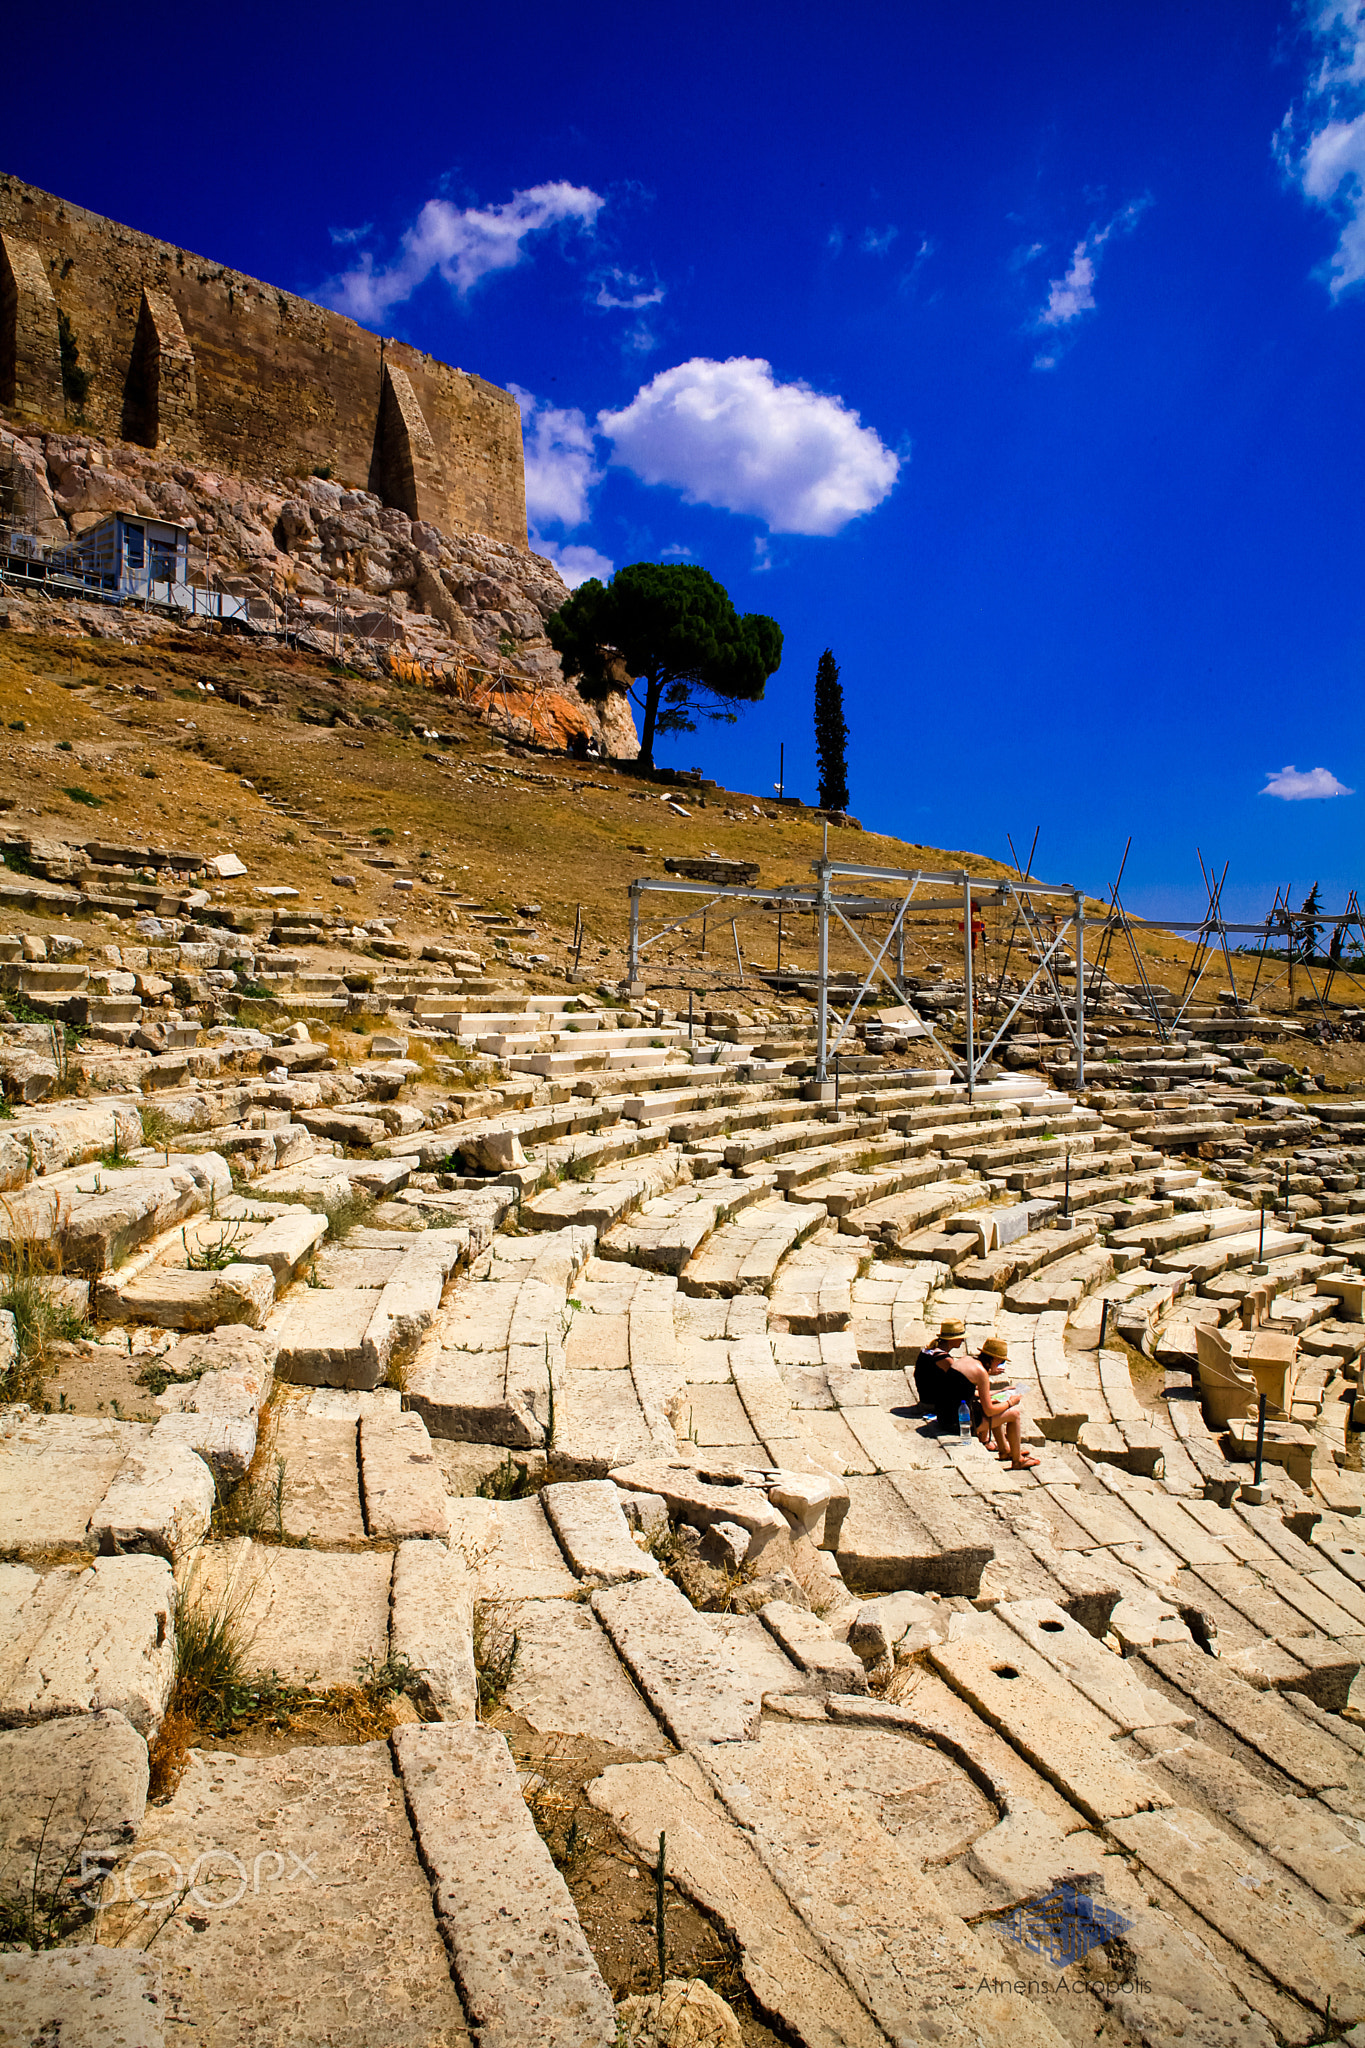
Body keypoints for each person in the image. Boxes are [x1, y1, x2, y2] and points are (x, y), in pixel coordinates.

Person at [969, 1336, 1039, 1470]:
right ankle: (1017, 1460)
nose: (1000, 1364)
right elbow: (989, 1410)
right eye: (1001, 1361)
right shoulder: (982, 1373)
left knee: (998, 1406)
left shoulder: (971, 1363)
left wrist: (1000, 1392)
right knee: (1014, 1414)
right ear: (994, 1359)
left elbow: (974, 1393)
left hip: (953, 1415)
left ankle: (1005, 1450)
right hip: (963, 1422)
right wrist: (1010, 1403)